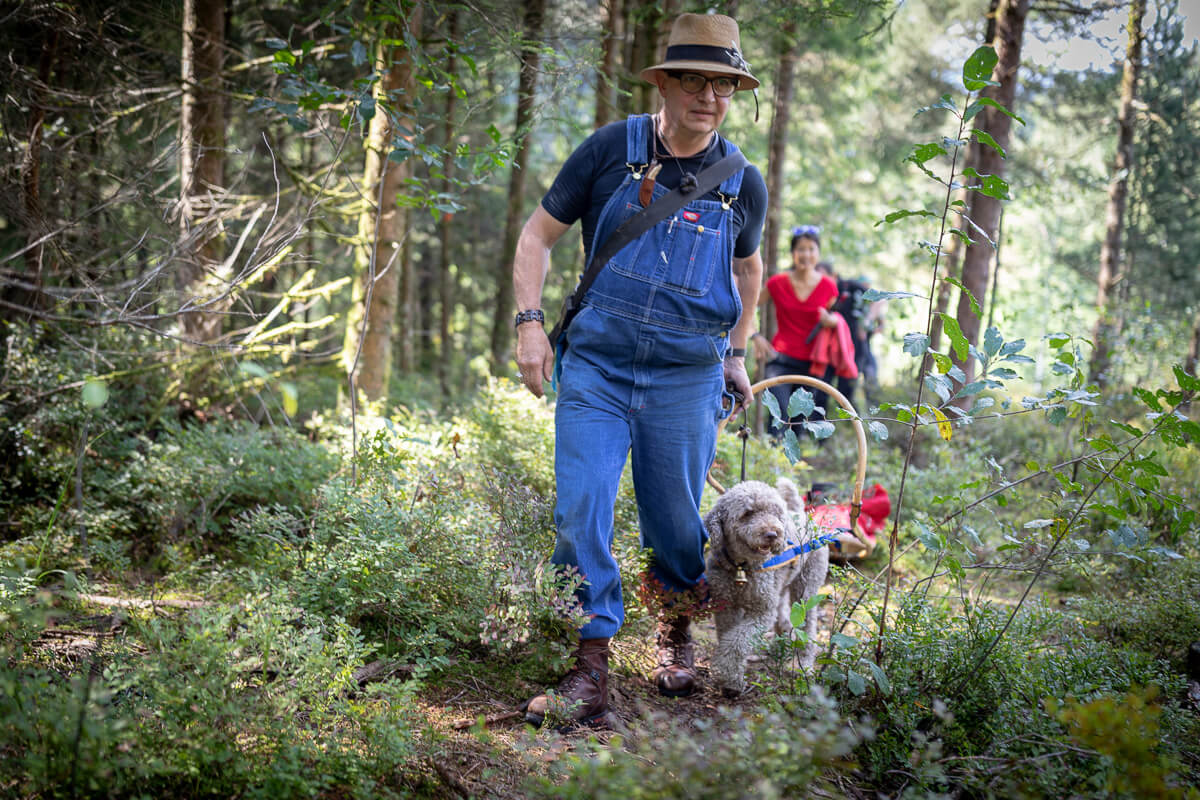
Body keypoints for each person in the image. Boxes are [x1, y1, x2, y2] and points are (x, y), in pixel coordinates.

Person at [510, 12, 766, 728]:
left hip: (687, 377)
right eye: (693, 79)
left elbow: (748, 269)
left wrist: (738, 354)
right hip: (596, 366)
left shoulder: (741, 181)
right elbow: (537, 236)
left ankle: (676, 626)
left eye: (721, 83)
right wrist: (531, 325)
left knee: (677, 525)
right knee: (580, 506)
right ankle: (592, 662)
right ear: (666, 83)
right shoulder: (610, 150)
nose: (707, 96)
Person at [751, 226, 852, 434]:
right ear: (793, 253)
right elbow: (748, 306)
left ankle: (790, 466)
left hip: (812, 365)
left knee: (798, 423)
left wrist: (833, 322)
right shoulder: (777, 282)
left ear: (818, 253)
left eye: (811, 249)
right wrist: (755, 335)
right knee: (778, 415)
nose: (806, 254)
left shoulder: (828, 286)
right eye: (800, 249)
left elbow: (837, 321)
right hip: (779, 359)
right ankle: (772, 462)